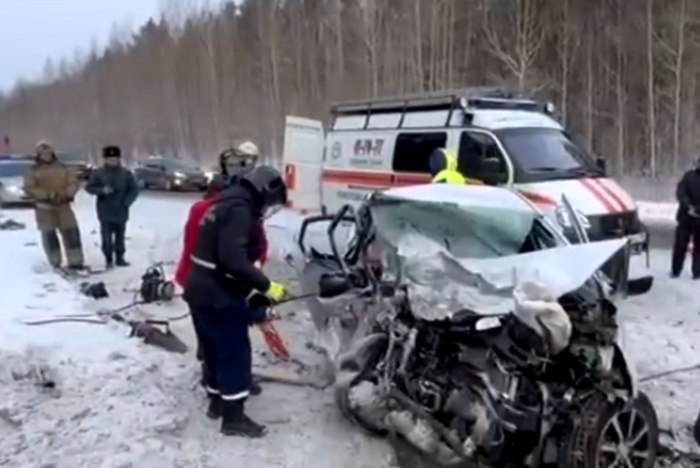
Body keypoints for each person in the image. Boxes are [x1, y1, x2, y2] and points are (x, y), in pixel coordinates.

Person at [184, 165, 288, 438]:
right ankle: (233, 418)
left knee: (213, 349)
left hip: (200, 288)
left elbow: (222, 260)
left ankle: (217, 402)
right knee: (234, 352)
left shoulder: (225, 202)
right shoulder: (240, 211)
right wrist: (267, 286)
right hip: (217, 293)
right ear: (265, 191)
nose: (267, 210)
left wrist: (252, 294)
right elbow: (233, 260)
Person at [23, 141, 86, 271]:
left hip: (63, 205)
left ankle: (76, 261)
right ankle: (55, 261)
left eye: (48, 153)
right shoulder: (33, 171)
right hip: (44, 207)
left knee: (71, 233)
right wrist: (47, 194)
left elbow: (73, 182)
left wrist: (66, 193)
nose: (46, 155)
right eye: (43, 153)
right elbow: (29, 188)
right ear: (38, 155)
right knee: (49, 235)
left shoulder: (63, 168)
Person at [85, 145, 139, 268]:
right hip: (105, 210)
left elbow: (134, 189)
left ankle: (120, 257)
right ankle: (108, 258)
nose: (113, 161)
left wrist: (127, 202)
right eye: (110, 159)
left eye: (115, 159)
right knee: (106, 237)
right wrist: (102, 190)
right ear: (105, 160)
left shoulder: (126, 173)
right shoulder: (98, 173)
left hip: (121, 209)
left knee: (120, 236)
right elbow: (89, 188)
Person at [671, 157, 700, 279]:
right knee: (680, 245)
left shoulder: (689, 176)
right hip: (685, 217)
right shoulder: (689, 176)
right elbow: (680, 192)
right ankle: (676, 270)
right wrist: (688, 206)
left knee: (698, 248)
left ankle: (697, 272)